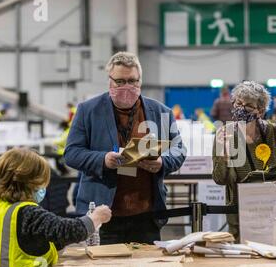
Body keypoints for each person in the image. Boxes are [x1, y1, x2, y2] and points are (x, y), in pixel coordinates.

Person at [64, 51, 186, 245]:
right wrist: (103, 160)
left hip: (147, 216)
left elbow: (179, 150)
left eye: (133, 81)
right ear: (109, 80)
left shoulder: (161, 112)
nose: (127, 87)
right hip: (103, 216)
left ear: (140, 81)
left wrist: (162, 162)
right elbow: (71, 153)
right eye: (120, 81)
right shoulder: (88, 110)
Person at [0, 148, 111, 267]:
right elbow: (65, 230)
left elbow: (30, 241)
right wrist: (95, 218)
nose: (44, 187)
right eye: (40, 181)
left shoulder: (0, 207)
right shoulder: (27, 212)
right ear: (27, 182)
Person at [212, 81, 276, 242]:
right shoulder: (224, 134)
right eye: (238, 103)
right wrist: (223, 155)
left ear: (260, 111)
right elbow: (220, 179)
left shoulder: (274, 132)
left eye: (248, 105)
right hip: (243, 217)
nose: (241, 108)